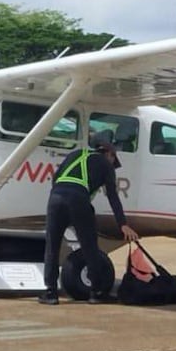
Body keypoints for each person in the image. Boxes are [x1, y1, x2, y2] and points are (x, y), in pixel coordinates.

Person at [40, 130, 139, 305]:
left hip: (55, 198)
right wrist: (122, 224)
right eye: (113, 158)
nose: (112, 162)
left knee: (52, 246)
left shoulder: (75, 154)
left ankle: (51, 293)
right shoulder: (106, 165)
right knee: (89, 247)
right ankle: (97, 292)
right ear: (109, 153)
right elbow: (112, 196)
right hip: (78, 199)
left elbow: (55, 179)